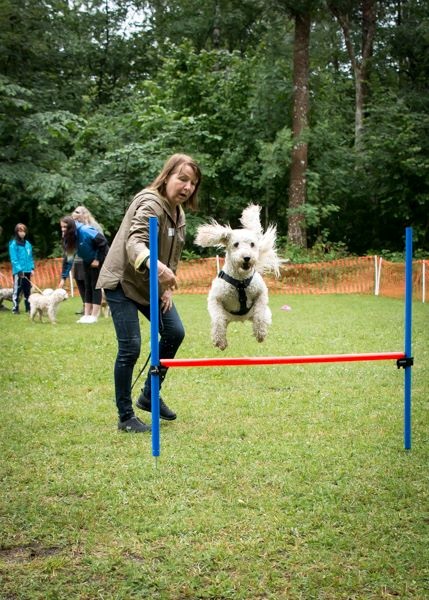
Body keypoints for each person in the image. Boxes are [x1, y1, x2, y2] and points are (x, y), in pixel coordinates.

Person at [97, 153, 202, 433]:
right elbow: (135, 243)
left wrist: (166, 285)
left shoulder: (178, 213)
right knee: (130, 347)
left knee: (174, 332)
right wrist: (158, 268)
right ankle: (125, 417)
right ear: (166, 177)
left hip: (150, 284)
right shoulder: (150, 203)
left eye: (193, 183)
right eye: (182, 179)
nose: (187, 187)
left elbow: (174, 253)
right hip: (122, 282)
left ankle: (149, 395)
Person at [59, 216, 109, 323]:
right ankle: (86, 315)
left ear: (71, 227)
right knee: (87, 286)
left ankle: (94, 316)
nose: (63, 229)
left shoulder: (85, 231)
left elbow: (103, 242)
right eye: (61, 227)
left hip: (99, 258)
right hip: (87, 260)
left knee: (95, 285)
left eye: (65, 227)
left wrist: (97, 259)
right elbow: (68, 258)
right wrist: (63, 277)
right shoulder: (69, 237)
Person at [71, 206, 104, 315]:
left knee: (93, 285)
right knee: (82, 285)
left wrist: (97, 259)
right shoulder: (74, 227)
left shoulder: (93, 226)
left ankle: (94, 311)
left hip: (92, 259)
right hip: (78, 260)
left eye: (78, 213)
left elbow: (101, 243)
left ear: (84, 214)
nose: (75, 216)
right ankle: (86, 307)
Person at [9, 223, 35, 314]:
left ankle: (28, 308)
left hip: (27, 271)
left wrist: (32, 268)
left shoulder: (28, 244)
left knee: (27, 291)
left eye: (24, 231)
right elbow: (14, 259)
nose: (22, 233)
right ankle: (15, 308)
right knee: (17, 290)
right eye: (20, 231)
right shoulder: (13, 244)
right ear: (17, 232)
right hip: (18, 272)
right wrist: (19, 270)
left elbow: (30, 257)